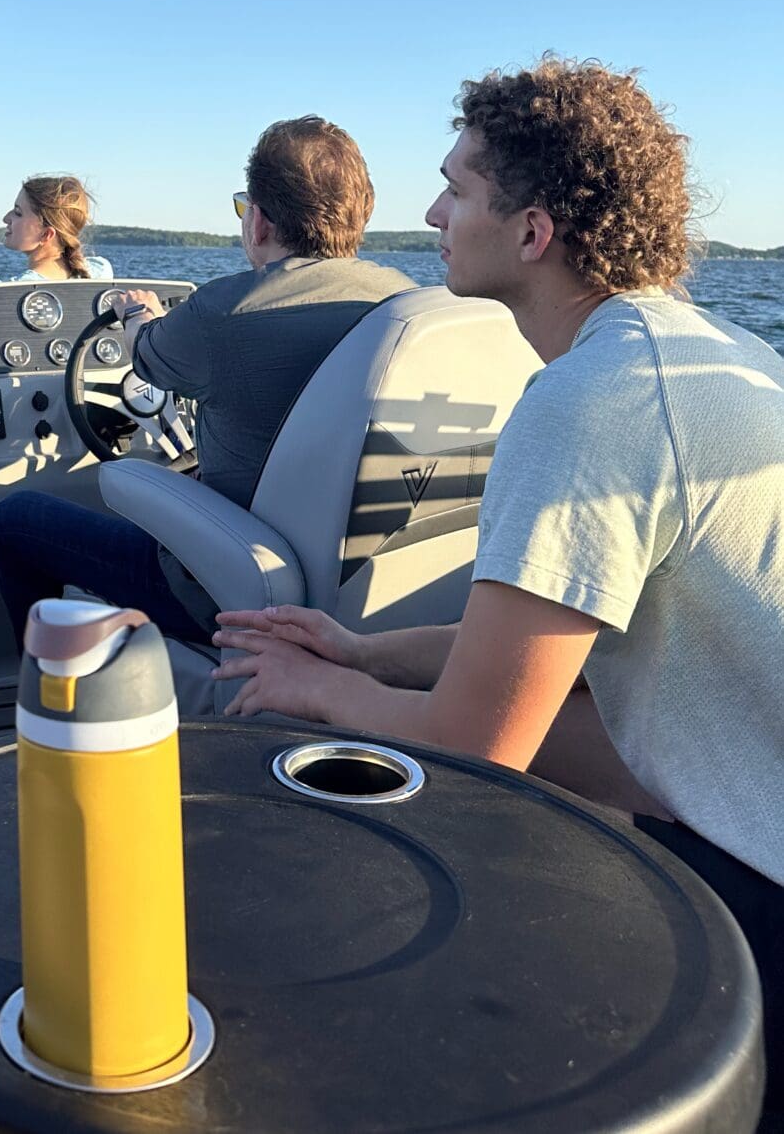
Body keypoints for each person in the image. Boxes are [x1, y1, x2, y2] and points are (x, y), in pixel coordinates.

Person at [212, 61, 783, 1103]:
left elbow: (479, 752)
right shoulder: (699, 347)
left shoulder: (590, 401)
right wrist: (363, 650)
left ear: (531, 231)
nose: (430, 210)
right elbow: (542, 644)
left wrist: (312, 692)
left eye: (457, 187)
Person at [0, 117, 414, 642]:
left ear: (257, 221)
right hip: (359, 585)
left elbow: (146, 358)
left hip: (224, 587)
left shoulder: (225, 311)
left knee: (14, 519)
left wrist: (139, 314)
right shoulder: (405, 303)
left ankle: (51, 699)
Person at [1, 176, 113, 280]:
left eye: (18, 212)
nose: (6, 218)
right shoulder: (100, 270)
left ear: (46, 235)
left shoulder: (10, 292)